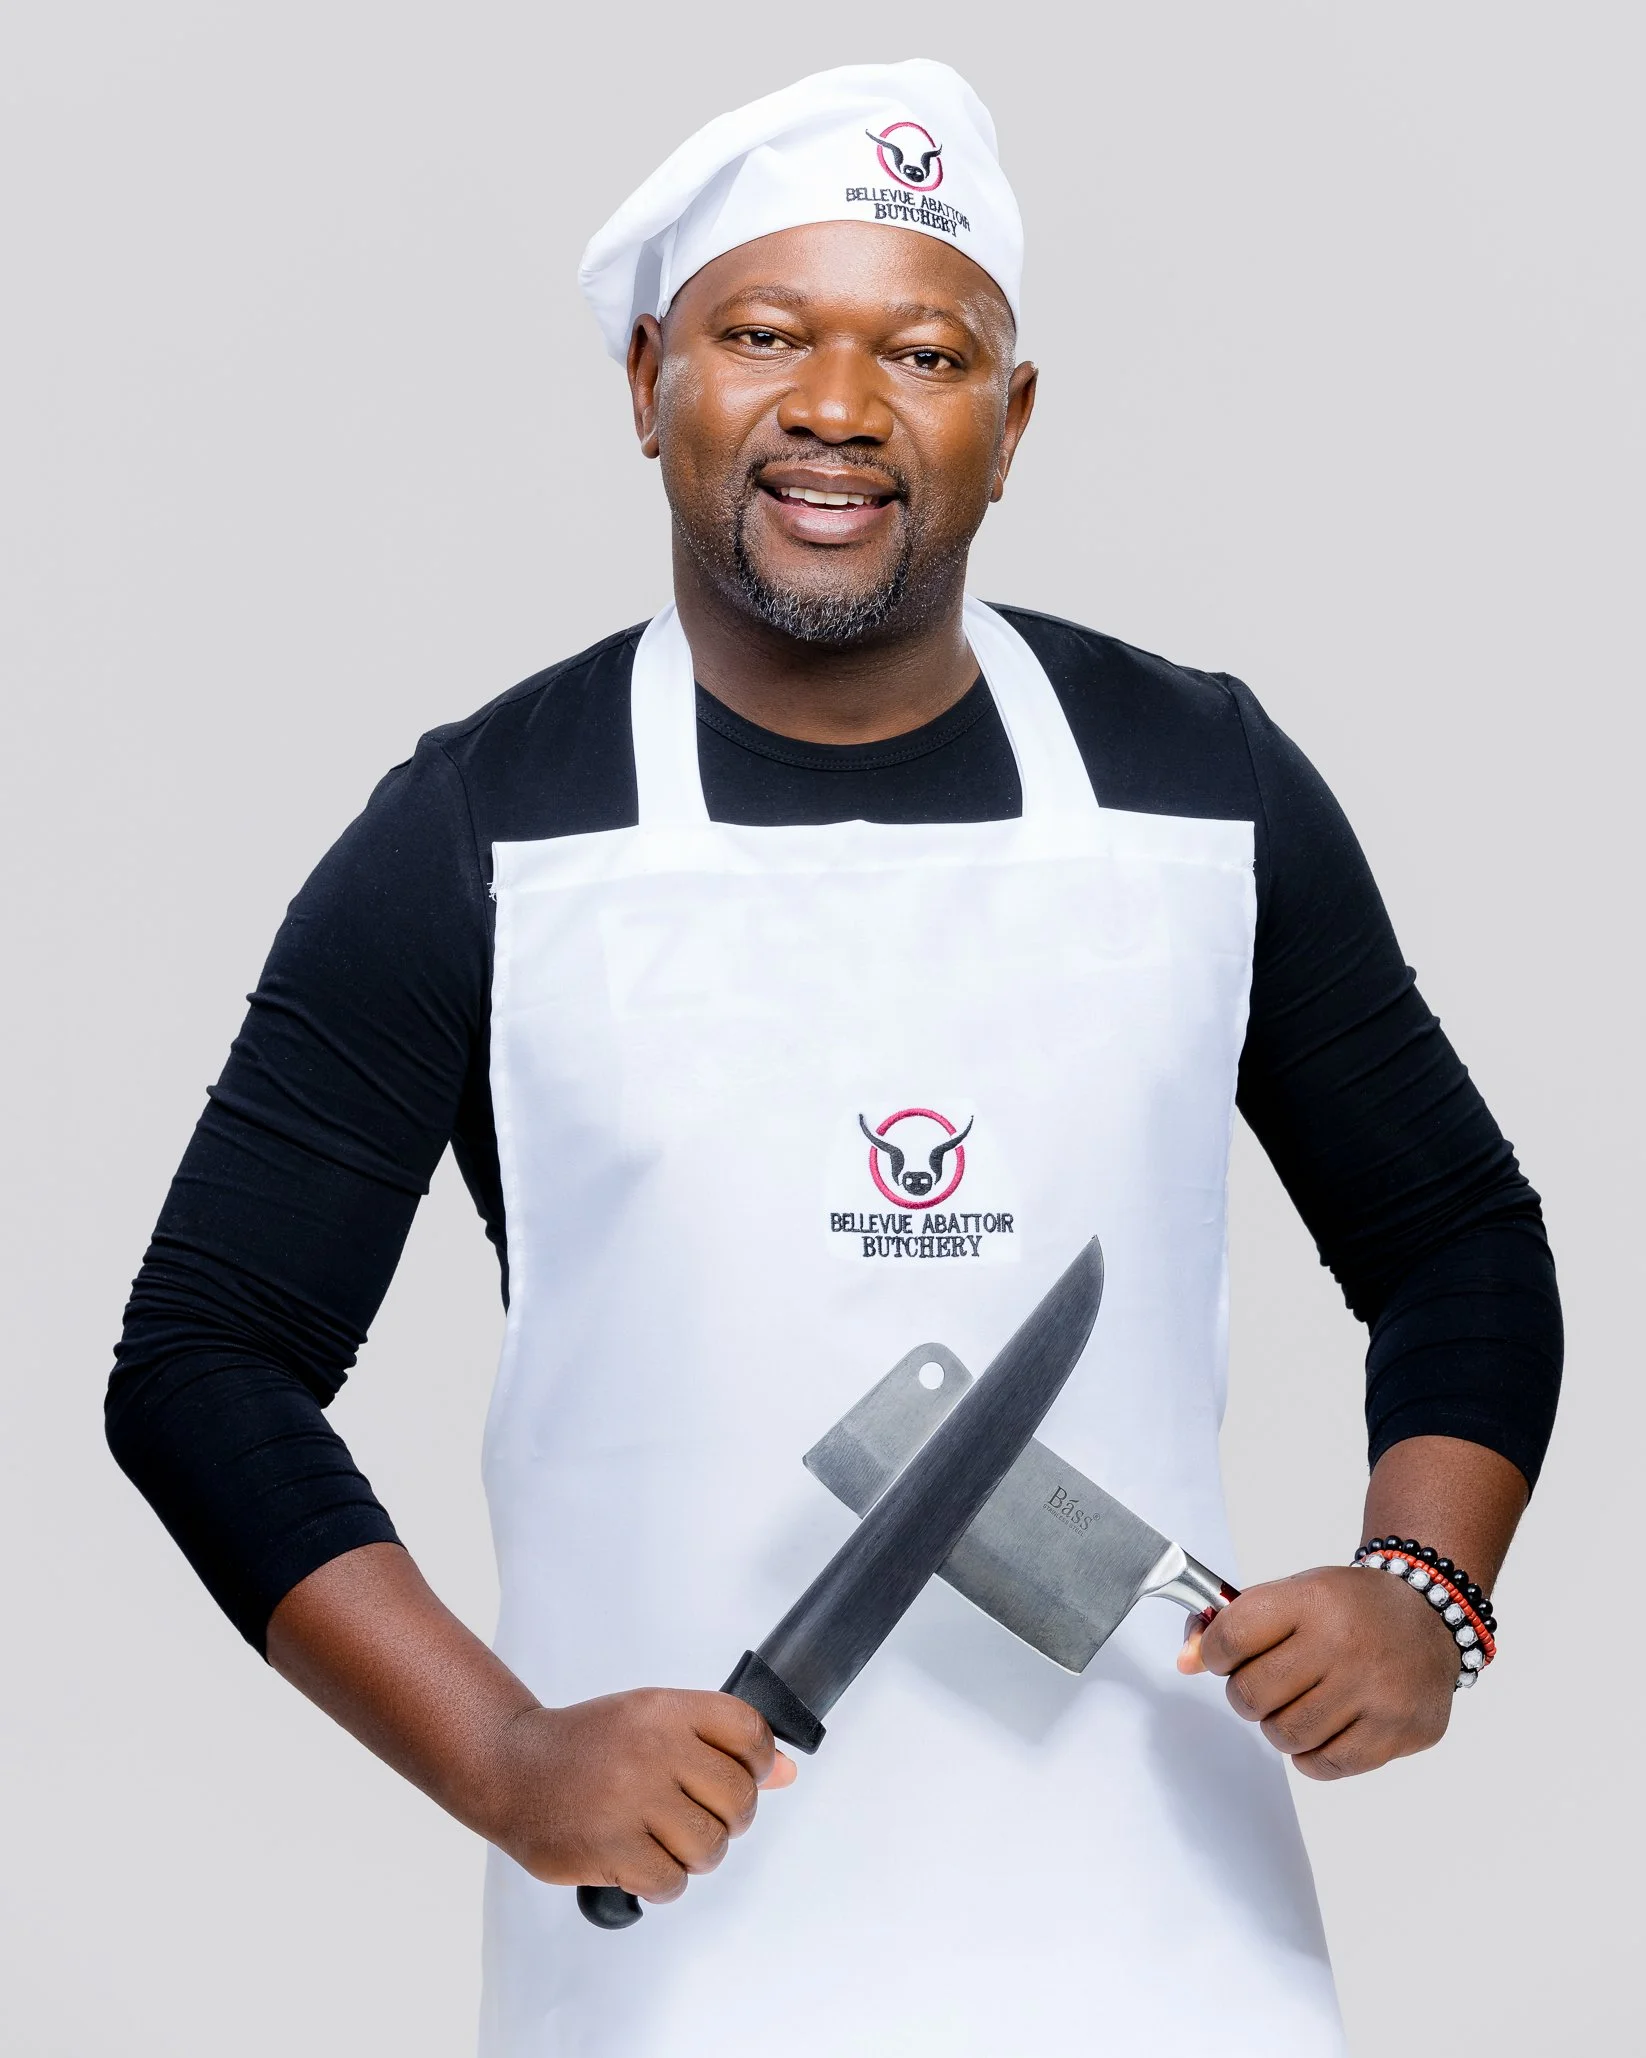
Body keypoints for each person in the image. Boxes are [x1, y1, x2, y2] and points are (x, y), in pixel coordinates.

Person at [107, 59, 1560, 2057]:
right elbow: (203, 1358)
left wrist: (1429, 1590)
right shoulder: (481, 834)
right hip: (677, 1966)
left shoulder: (1198, 787)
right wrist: (505, 1757)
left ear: (1010, 420)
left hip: (1170, 1954)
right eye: (764, 334)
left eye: (925, 350)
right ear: (647, 384)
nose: (839, 407)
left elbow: (1455, 1233)